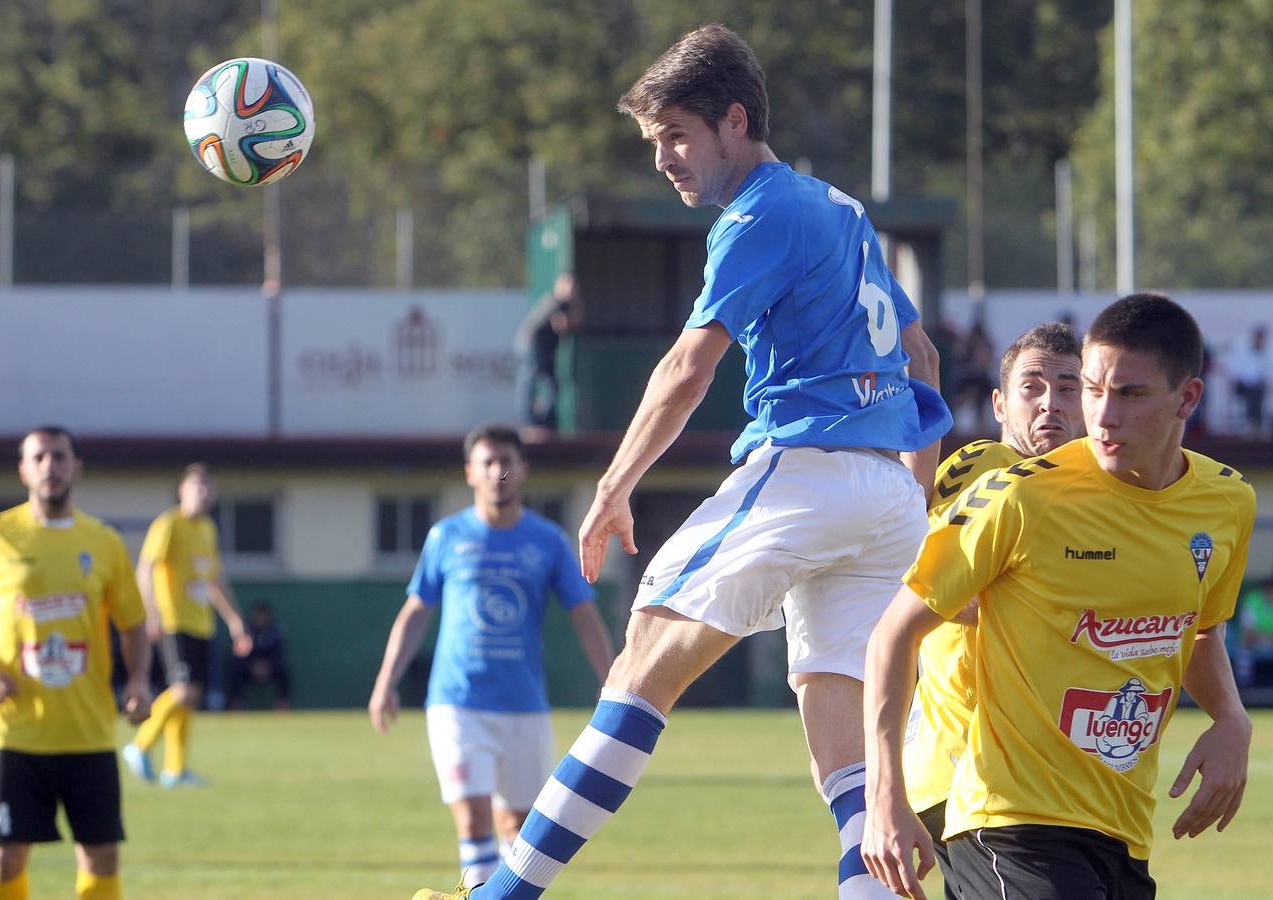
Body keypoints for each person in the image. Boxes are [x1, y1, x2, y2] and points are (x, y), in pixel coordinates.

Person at [417, 24, 950, 900]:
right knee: (836, 727)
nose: (663, 157)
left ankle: (499, 896)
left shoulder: (757, 212)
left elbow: (686, 367)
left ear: (733, 121)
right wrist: (908, 498)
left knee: (641, 665)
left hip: (806, 468)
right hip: (889, 492)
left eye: (675, 135)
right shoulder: (843, 210)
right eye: (653, 141)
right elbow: (922, 361)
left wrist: (612, 486)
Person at [862, 293, 1255, 900]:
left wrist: (1231, 719)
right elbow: (899, 619)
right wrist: (882, 794)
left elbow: (1198, 628)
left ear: (1188, 398)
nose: (1098, 413)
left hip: (1120, 824)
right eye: (1094, 390)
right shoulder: (1005, 487)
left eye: (1125, 394)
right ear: (998, 404)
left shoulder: (1227, 503)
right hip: (997, 806)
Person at [371, 424, 614, 887]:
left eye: (506, 461)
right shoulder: (447, 537)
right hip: (457, 704)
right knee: (472, 819)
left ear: (522, 469)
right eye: (487, 462)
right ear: (470, 472)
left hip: (524, 705)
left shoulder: (548, 541)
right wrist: (386, 683)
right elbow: (415, 612)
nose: (497, 471)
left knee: (520, 832)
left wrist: (612, 681)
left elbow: (583, 613)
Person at [904, 322, 1084, 896]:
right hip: (970, 769)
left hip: (1045, 776)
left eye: (1068, 386)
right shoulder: (986, 465)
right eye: (1032, 387)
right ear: (1000, 404)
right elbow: (930, 586)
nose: (1050, 402)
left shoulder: (1091, 496)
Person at [0, 425, 152, 900]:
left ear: (77, 466)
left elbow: (133, 622)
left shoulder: (103, 542)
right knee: (5, 856)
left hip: (87, 729)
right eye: (38, 458)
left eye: (59, 457)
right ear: (23, 470)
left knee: (101, 856)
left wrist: (137, 678)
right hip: (13, 731)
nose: (49, 467)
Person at [121, 464, 251, 788]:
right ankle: (139, 745)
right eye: (197, 488)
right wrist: (151, 612)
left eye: (208, 489)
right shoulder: (168, 525)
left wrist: (235, 622)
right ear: (183, 491)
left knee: (191, 696)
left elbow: (215, 580)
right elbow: (146, 568)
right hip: (173, 620)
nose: (203, 494)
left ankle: (175, 769)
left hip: (201, 623)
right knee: (181, 690)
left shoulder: (207, 530)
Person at [514, 272, 583, 432]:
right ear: (560, 286)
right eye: (569, 286)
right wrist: (577, 306)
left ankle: (540, 423)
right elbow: (564, 325)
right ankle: (533, 423)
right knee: (532, 383)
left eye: (574, 287)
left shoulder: (555, 301)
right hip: (533, 347)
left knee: (546, 384)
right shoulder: (557, 302)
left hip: (536, 347)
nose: (572, 290)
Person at [226, 601, 293, 709]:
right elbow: (239, 654)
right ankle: (237, 703)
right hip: (249, 668)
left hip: (269, 668)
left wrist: (267, 666)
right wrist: (252, 666)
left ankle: (282, 703)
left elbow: (279, 654)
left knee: (283, 670)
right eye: (258, 615)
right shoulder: (246, 632)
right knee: (236, 671)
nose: (261, 619)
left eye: (264, 616)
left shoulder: (275, 631)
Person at [1226, 325, 1270, 436]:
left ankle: (1255, 424)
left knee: (1257, 393)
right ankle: (1254, 423)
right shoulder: (1242, 350)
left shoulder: (1268, 352)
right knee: (1253, 393)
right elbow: (1237, 370)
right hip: (1243, 385)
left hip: (1257, 386)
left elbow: (1269, 372)